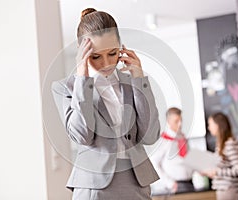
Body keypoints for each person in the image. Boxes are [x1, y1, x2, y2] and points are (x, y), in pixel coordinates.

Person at [51, 8, 160, 200]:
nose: (107, 63)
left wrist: (139, 79)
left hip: (136, 183)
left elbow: (150, 135)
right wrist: (82, 79)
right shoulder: (65, 88)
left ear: (121, 47)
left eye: (113, 53)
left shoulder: (133, 83)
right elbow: (82, 135)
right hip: (95, 187)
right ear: (82, 52)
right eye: (95, 57)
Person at [150, 107, 194, 195]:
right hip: (175, 186)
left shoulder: (183, 138)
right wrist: (170, 183)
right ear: (169, 122)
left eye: (181, 120)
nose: (180, 124)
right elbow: (154, 164)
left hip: (189, 183)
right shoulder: (163, 140)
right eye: (176, 121)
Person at [202, 112, 238, 200]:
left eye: (210, 124)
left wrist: (217, 172)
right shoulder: (221, 145)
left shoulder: (229, 144)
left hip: (229, 190)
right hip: (224, 190)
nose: (209, 128)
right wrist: (212, 172)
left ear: (218, 125)